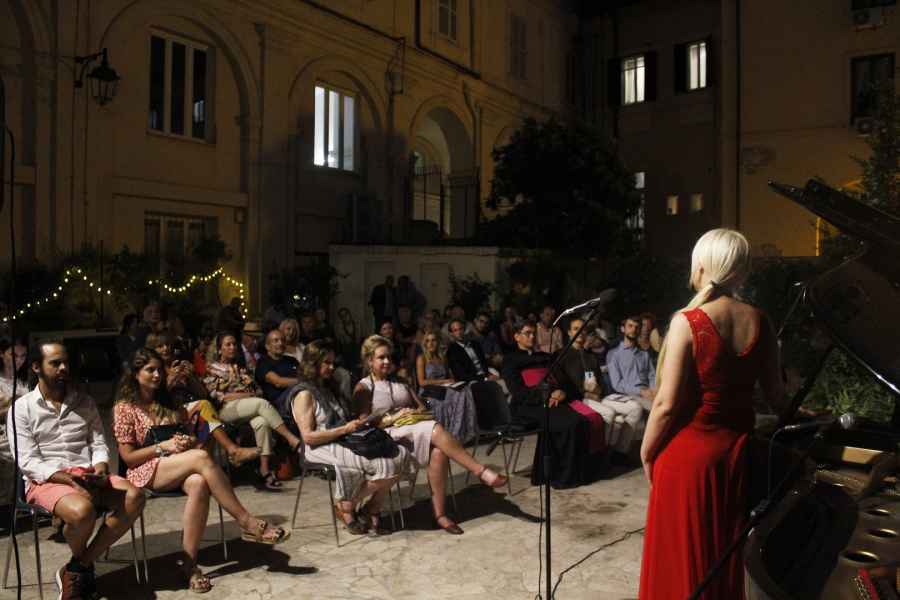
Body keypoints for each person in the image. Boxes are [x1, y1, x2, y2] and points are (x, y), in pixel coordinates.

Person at [639, 229, 783, 600]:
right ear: (742, 270)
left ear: (701, 265)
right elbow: (778, 398)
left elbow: (666, 404)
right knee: (722, 555)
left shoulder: (688, 321)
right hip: (736, 455)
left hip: (687, 461)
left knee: (682, 560)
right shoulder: (761, 321)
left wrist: (646, 451)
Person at [114, 349, 289, 593]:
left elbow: (190, 424)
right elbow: (128, 458)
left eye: (159, 369)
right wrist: (162, 447)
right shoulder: (125, 407)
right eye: (149, 370)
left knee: (199, 482)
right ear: (135, 374)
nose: (157, 375)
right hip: (145, 470)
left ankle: (189, 564)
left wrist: (184, 441)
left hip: (177, 463)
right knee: (202, 458)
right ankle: (247, 521)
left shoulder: (167, 400)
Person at [9, 341, 146, 599]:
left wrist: (101, 468)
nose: (63, 368)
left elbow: (98, 443)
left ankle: (77, 567)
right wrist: (67, 479)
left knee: (135, 496)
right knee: (83, 511)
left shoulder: (84, 401)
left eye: (65, 363)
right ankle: (83, 570)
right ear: (37, 367)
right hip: (47, 479)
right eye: (55, 363)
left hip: (87, 473)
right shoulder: (22, 408)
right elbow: (27, 461)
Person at [354, 335, 507, 535]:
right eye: (381, 357)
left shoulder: (400, 382)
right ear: (369, 360)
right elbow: (363, 423)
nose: (387, 361)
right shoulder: (364, 386)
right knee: (435, 429)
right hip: (388, 438)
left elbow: (422, 408)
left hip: (413, 431)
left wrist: (411, 412)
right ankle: (481, 472)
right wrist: (392, 418)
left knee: (439, 452)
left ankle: (440, 515)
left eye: (389, 357)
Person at [283, 340, 407, 535]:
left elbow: (343, 419)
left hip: (342, 439)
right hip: (319, 447)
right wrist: (344, 429)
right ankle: (349, 508)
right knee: (385, 465)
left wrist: (360, 423)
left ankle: (364, 507)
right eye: (327, 363)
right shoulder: (304, 394)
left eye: (333, 362)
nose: (332, 367)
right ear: (313, 364)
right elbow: (308, 437)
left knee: (399, 455)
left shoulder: (328, 387)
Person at [502, 320, 597, 488]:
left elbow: (563, 380)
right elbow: (518, 391)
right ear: (516, 336)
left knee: (581, 420)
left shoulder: (545, 357)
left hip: (554, 400)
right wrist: (546, 396)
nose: (532, 337)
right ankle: (561, 476)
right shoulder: (510, 360)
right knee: (570, 423)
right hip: (528, 405)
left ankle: (579, 474)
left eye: (534, 333)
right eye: (527, 333)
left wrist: (562, 392)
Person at [203, 332, 303, 490]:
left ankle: (264, 470)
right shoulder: (212, 369)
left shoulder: (241, 367)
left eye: (234, 344)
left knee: (262, 422)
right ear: (219, 349)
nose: (232, 347)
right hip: (226, 409)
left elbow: (257, 390)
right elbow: (219, 396)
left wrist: (250, 395)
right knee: (261, 403)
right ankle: (291, 439)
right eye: (228, 344)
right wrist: (247, 395)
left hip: (249, 406)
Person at [144, 332, 259, 467]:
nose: (165, 348)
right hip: (167, 412)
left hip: (190, 410)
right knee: (205, 408)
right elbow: (156, 398)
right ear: (153, 350)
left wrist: (191, 376)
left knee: (206, 415)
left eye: (168, 345)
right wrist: (170, 380)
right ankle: (232, 450)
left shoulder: (179, 364)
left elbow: (203, 393)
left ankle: (208, 466)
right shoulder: (154, 372)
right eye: (160, 346)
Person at [599, 315, 656, 457]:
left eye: (637, 327)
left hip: (647, 393)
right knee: (657, 409)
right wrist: (641, 391)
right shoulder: (614, 354)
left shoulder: (644, 354)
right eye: (630, 326)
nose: (634, 330)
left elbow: (652, 376)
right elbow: (617, 384)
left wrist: (654, 390)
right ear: (623, 329)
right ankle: (625, 453)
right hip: (627, 394)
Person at [416, 331, 478, 444]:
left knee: (465, 390)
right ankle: (454, 435)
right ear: (424, 344)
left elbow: (449, 376)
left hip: (445, 388)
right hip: (429, 391)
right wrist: (443, 381)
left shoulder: (442, 358)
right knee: (457, 395)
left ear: (438, 342)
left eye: (433, 340)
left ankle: (464, 431)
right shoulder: (422, 358)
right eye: (428, 341)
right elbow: (421, 382)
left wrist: (453, 381)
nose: (431, 343)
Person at [0, 337, 29, 506]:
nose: (18, 360)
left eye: (23, 356)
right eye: (13, 355)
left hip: (24, 431)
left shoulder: (24, 381)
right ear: (2, 354)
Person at [255, 328, 300, 403]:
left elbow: (304, 375)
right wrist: (303, 381)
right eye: (276, 340)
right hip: (278, 401)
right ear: (267, 346)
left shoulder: (292, 360)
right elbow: (278, 382)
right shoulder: (262, 362)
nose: (280, 343)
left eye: (283, 340)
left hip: (298, 393)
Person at [446, 318, 492, 382]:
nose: (459, 332)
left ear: (464, 330)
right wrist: (483, 378)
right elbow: (460, 374)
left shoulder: (475, 344)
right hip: (472, 381)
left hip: (485, 375)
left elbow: (484, 362)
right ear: (451, 333)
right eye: (455, 330)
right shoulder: (451, 351)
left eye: (460, 329)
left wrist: (487, 375)